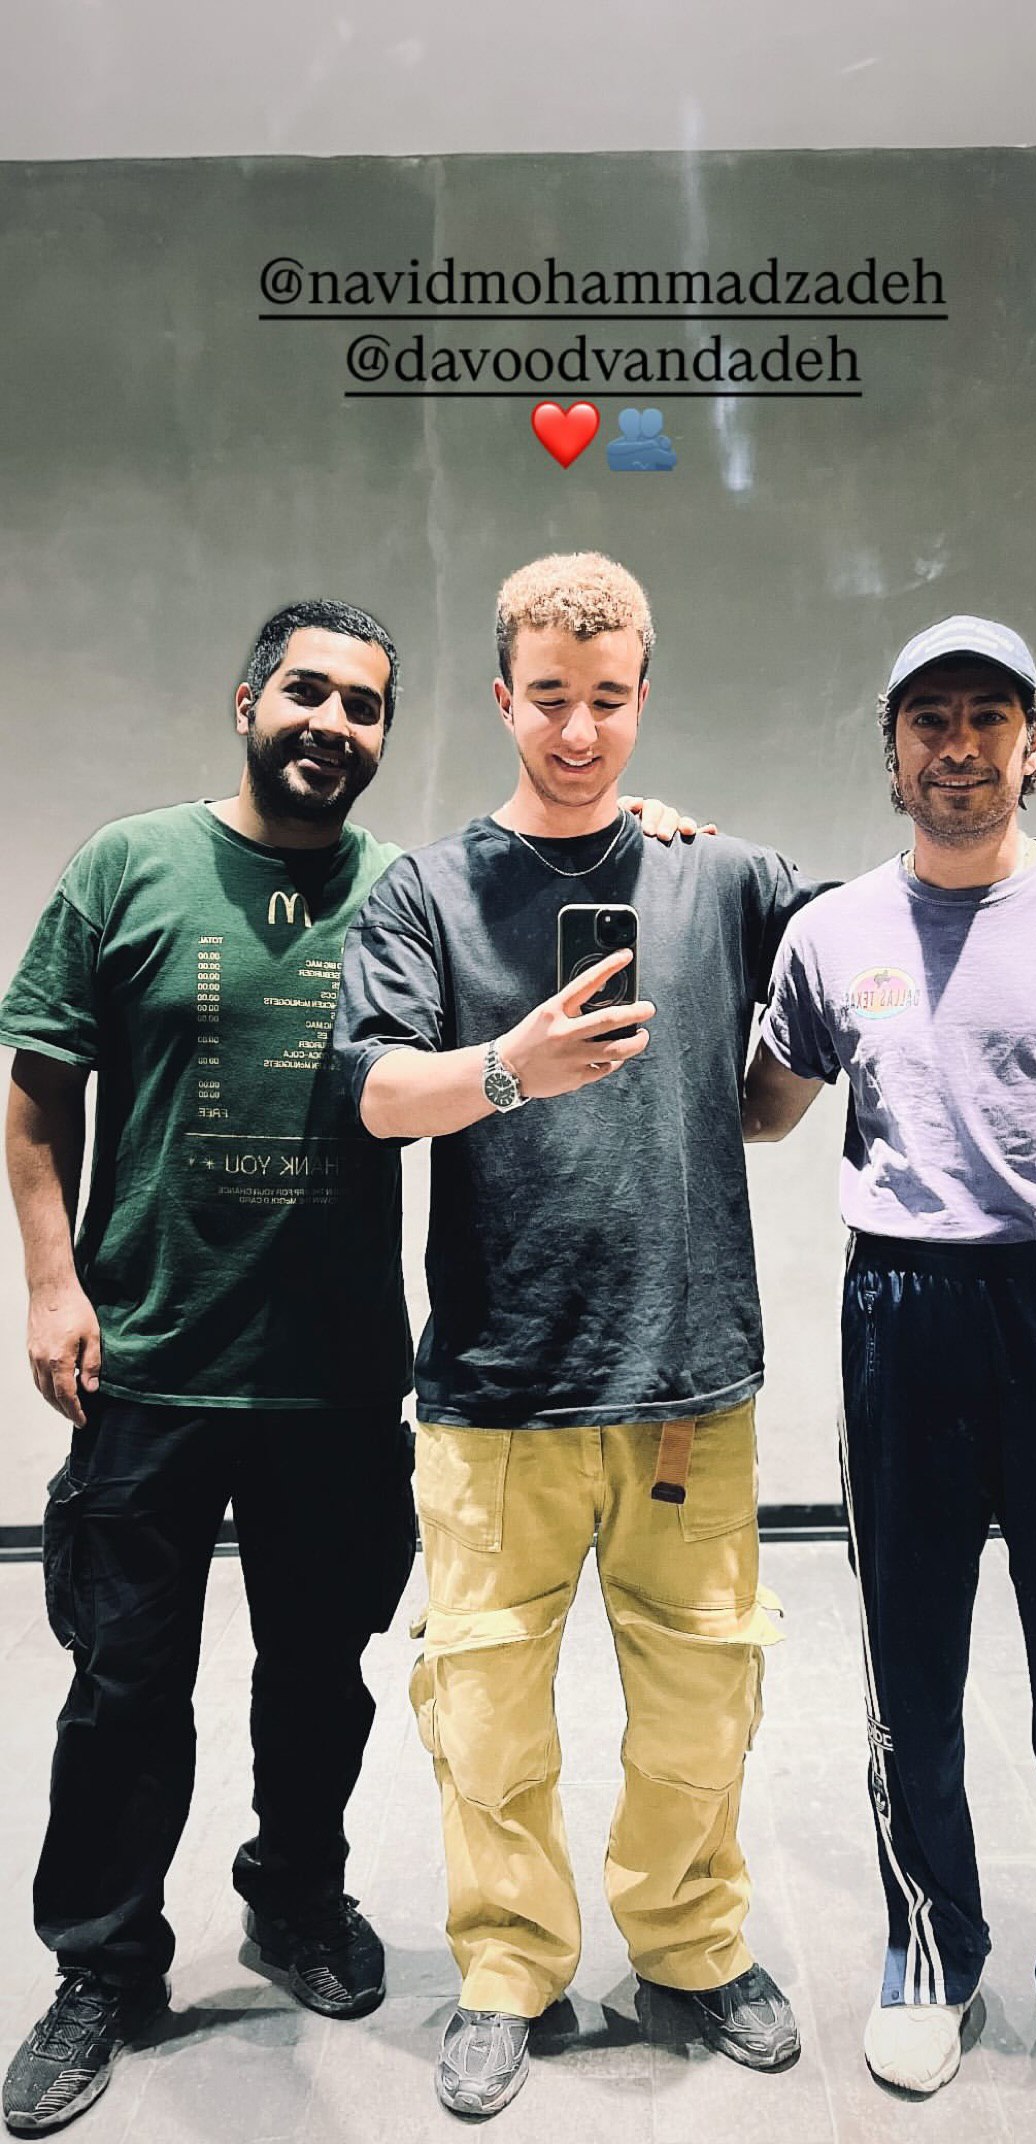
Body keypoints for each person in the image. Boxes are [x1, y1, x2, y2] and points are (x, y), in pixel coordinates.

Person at [334, 551, 822, 2120]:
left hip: (688, 1381)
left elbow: (896, 931)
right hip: (496, 1387)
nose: (577, 732)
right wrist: (509, 1068)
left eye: (607, 700)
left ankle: (688, 1947)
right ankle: (505, 1970)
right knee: (485, 1718)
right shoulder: (423, 893)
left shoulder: (719, 875)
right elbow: (373, 1093)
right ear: (501, 696)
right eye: (548, 697)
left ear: (643, 696)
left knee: (699, 1707)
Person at [743, 615, 1036, 2144]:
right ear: (889, 751)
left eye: (985, 717)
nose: (956, 747)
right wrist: (678, 932)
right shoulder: (832, 933)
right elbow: (763, 1109)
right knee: (912, 1672)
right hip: (905, 1312)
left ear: (1032, 739)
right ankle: (930, 1952)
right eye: (927, 720)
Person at [0, 600, 419, 2137]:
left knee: (318, 1679)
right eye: (307, 691)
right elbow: (37, 1093)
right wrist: (53, 1286)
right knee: (124, 1691)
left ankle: (295, 1898)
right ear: (247, 700)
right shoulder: (130, 865)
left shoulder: (408, 892)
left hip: (336, 1378)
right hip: (153, 1365)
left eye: (364, 705)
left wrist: (645, 816)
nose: (332, 723)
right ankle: (103, 1966)